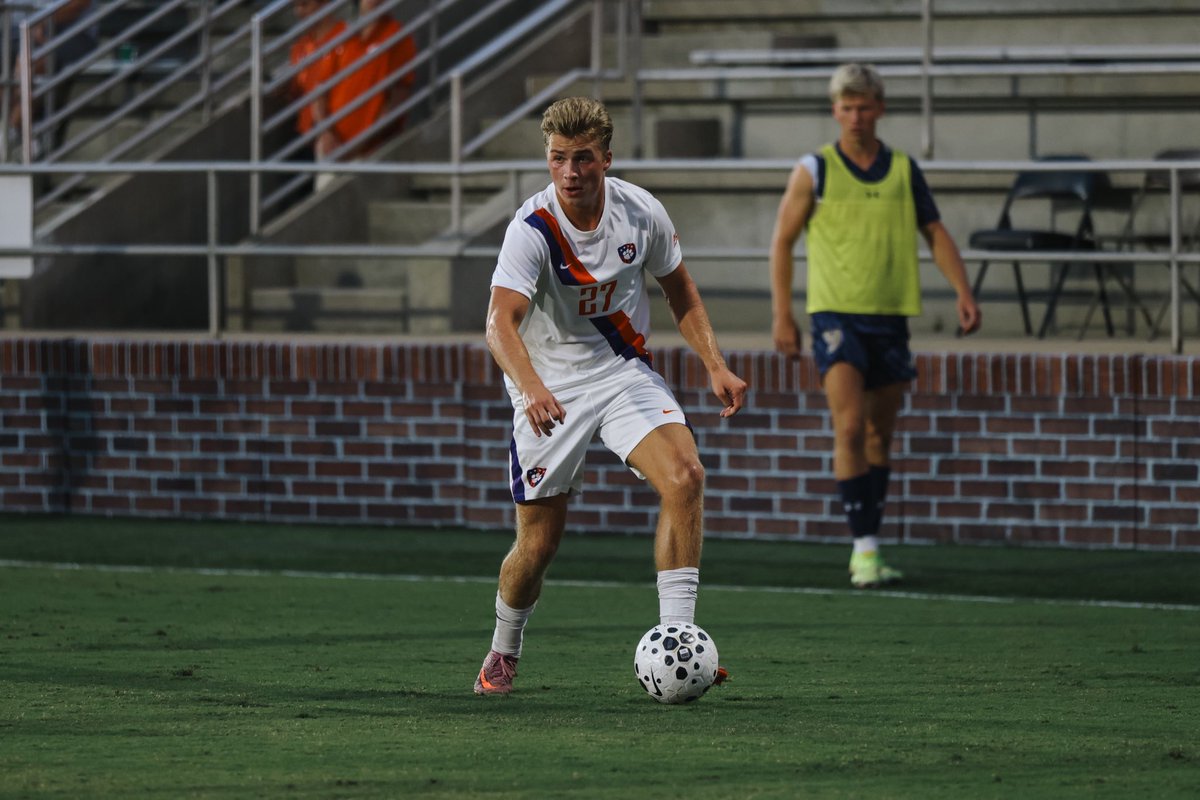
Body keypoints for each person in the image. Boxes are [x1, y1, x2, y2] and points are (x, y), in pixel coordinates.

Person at [474, 96, 748, 696]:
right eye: (558, 159)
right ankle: (503, 648)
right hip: (546, 386)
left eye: (583, 159)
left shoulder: (640, 212)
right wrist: (532, 387)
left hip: (621, 371)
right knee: (538, 546)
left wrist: (716, 366)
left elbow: (683, 293)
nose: (570, 172)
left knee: (686, 476)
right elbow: (499, 323)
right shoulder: (533, 228)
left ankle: (678, 639)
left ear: (607, 159)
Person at [768, 62, 981, 589]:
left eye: (864, 105)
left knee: (880, 433)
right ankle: (862, 552)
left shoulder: (904, 169)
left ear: (880, 108)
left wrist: (963, 290)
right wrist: (782, 313)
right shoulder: (813, 169)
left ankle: (872, 545)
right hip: (836, 315)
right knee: (847, 426)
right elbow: (782, 241)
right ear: (835, 110)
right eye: (846, 106)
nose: (855, 115)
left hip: (891, 315)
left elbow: (934, 231)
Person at [326, 0, 416, 158]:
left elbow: (399, 97)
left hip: (372, 152)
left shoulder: (396, 36)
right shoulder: (343, 37)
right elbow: (320, 92)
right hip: (334, 150)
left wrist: (362, 143)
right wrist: (326, 134)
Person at [287, 0, 346, 162]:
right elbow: (297, 92)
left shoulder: (346, 38)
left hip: (334, 135)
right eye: (295, 6)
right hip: (305, 134)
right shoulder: (300, 45)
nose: (299, 12)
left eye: (305, 5)